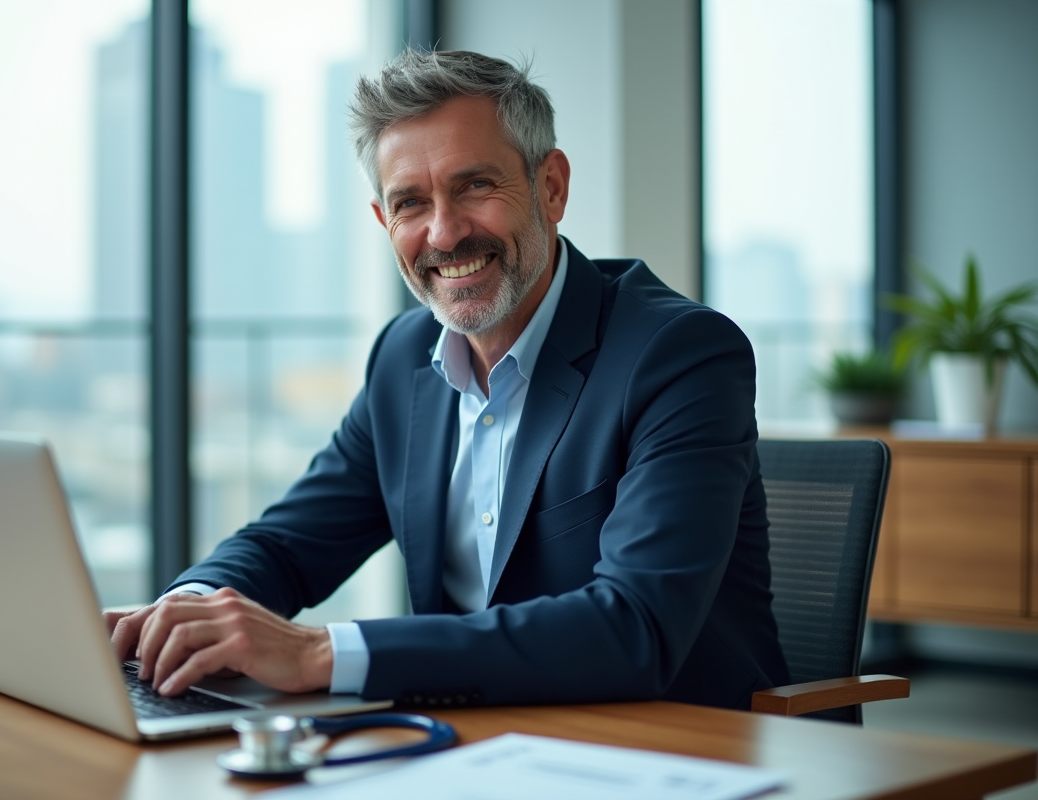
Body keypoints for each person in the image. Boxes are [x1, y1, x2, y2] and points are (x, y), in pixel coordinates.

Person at [108, 48, 789, 710]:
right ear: (384, 221)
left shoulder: (678, 354)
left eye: (476, 186)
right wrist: (184, 612)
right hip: (472, 744)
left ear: (551, 188)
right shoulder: (403, 359)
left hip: (671, 750)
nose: (443, 233)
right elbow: (288, 546)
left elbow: (634, 627)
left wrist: (320, 653)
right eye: (409, 203)